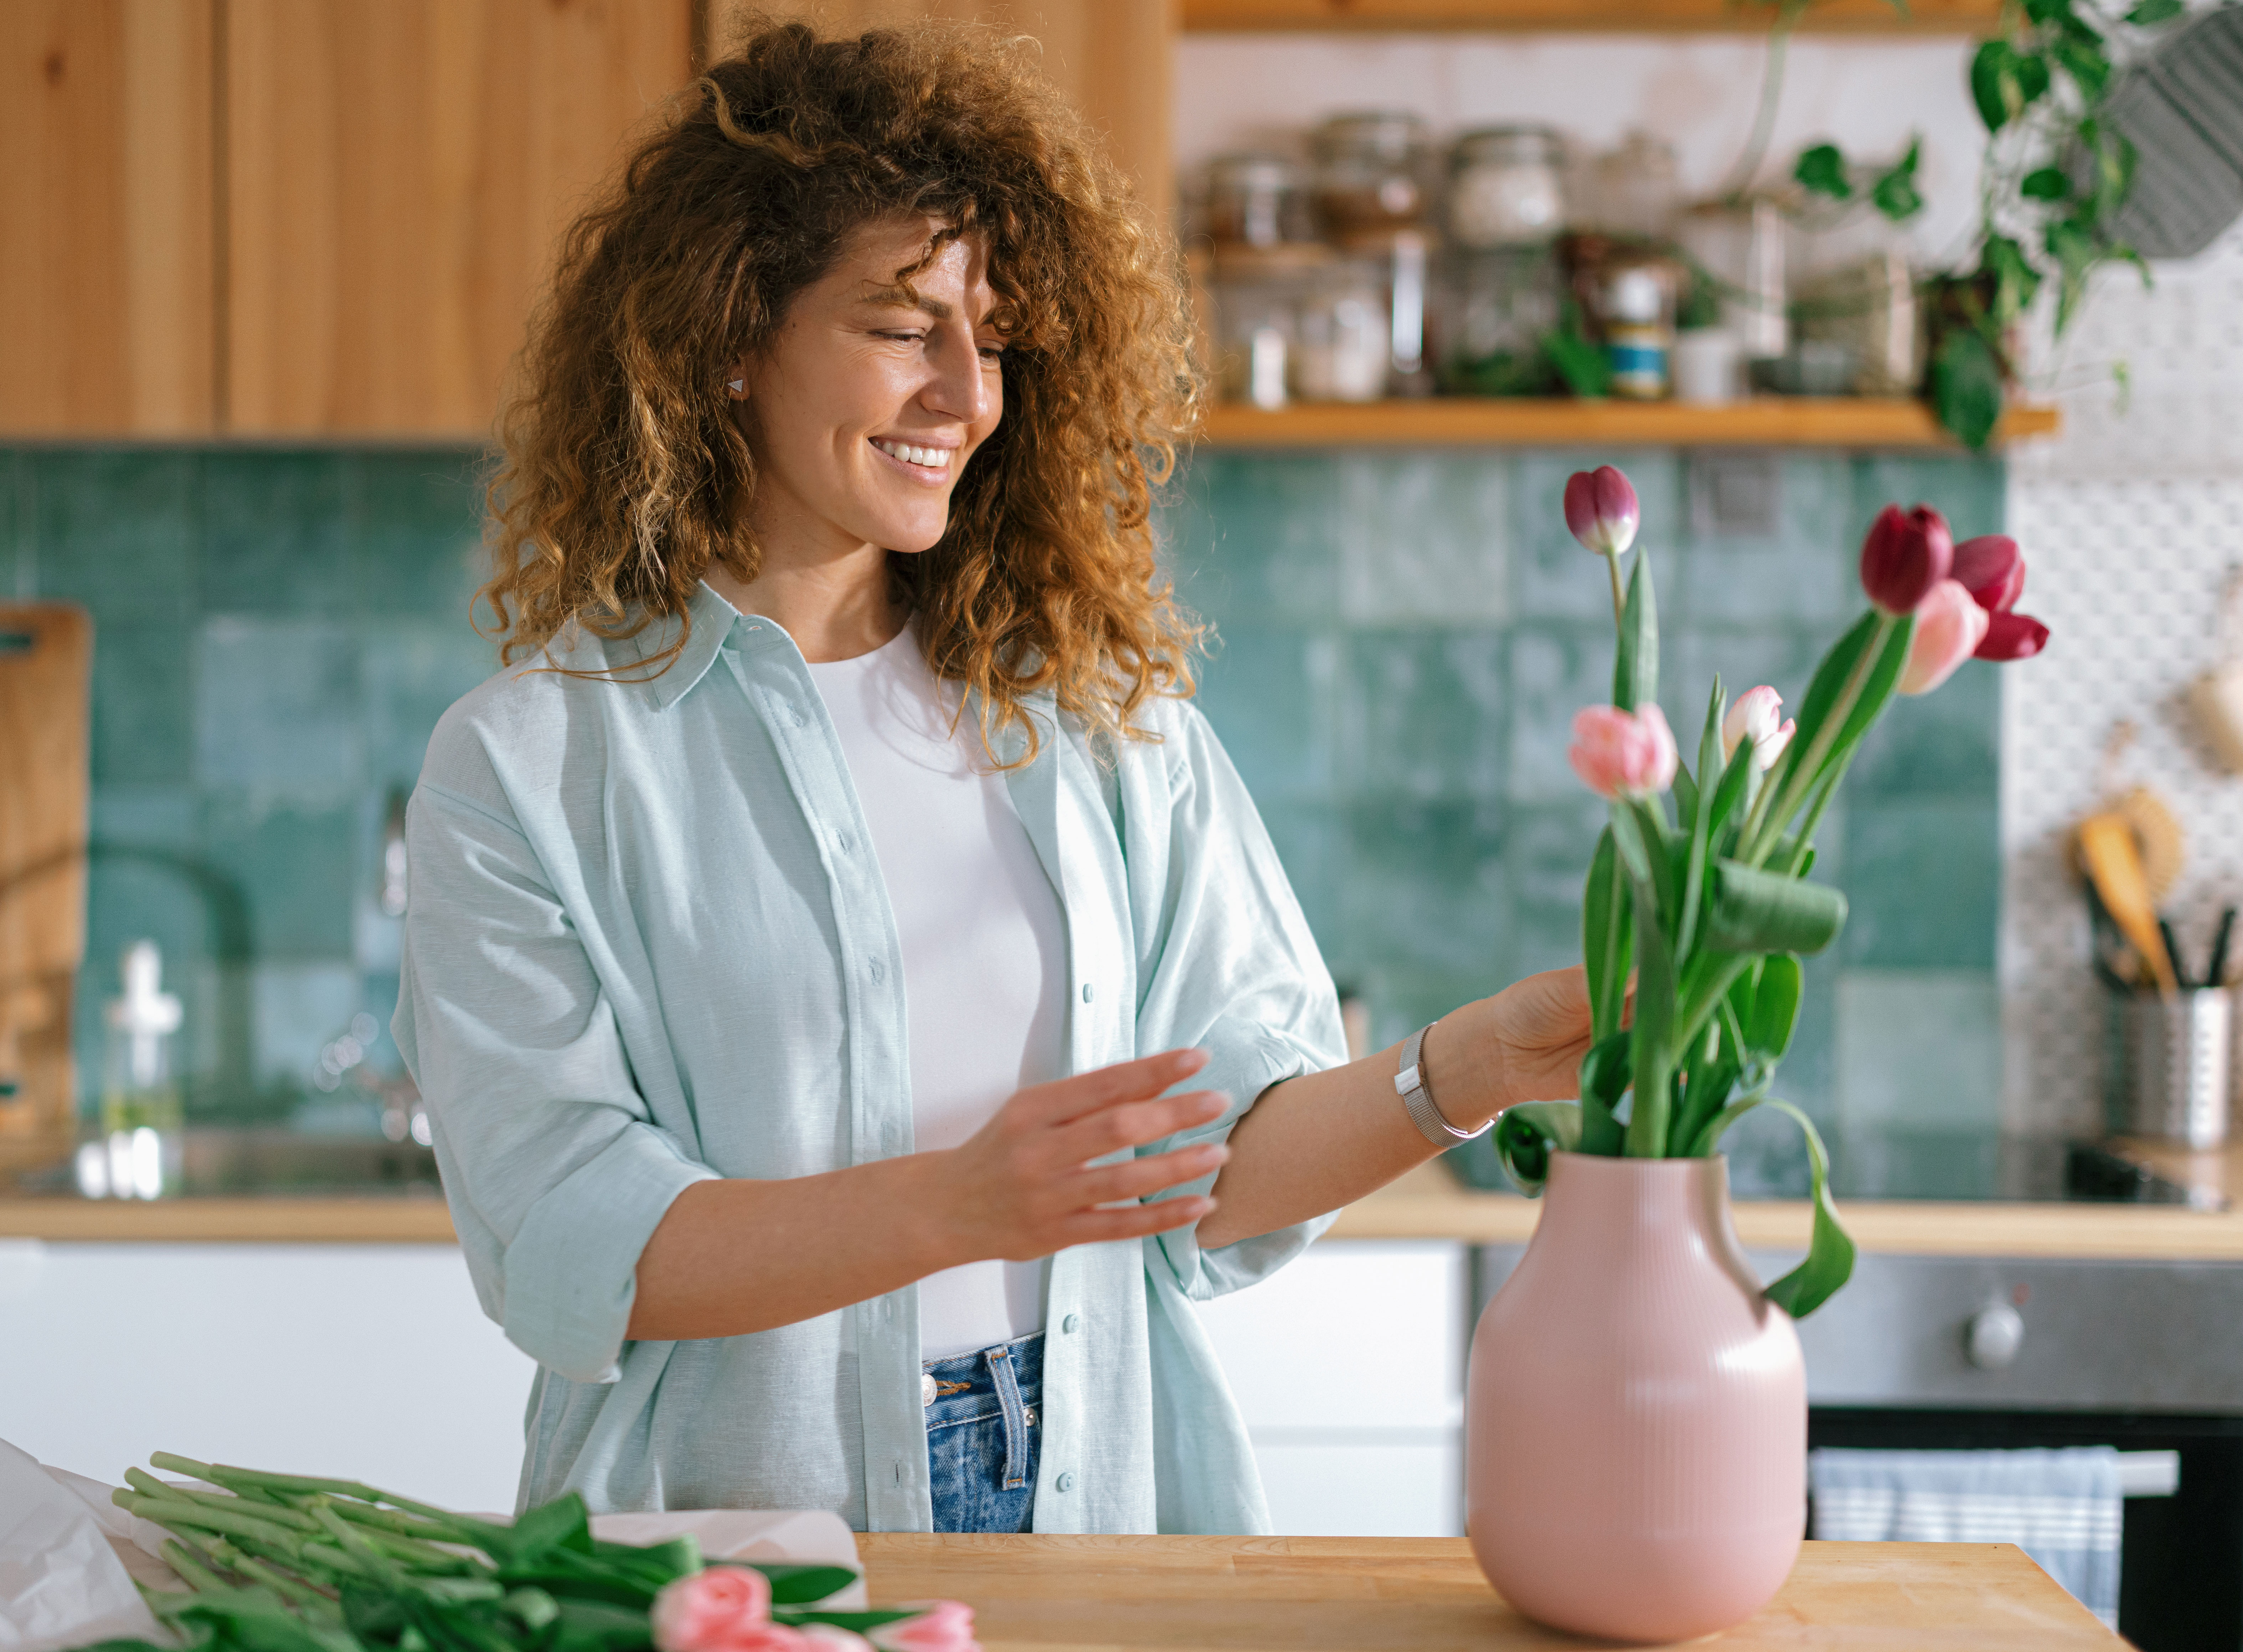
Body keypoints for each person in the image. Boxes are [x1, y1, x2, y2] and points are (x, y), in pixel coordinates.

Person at [394, 20, 1591, 1537]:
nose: (965, 394)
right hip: (742, 1529)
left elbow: (1215, 1168)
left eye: (995, 340)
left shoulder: (1096, 721)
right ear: (729, 339)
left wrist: (1472, 1064)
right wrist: (955, 1207)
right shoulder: (531, 763)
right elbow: (564, 1238)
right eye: (904, 328)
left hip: (1098, 1495)